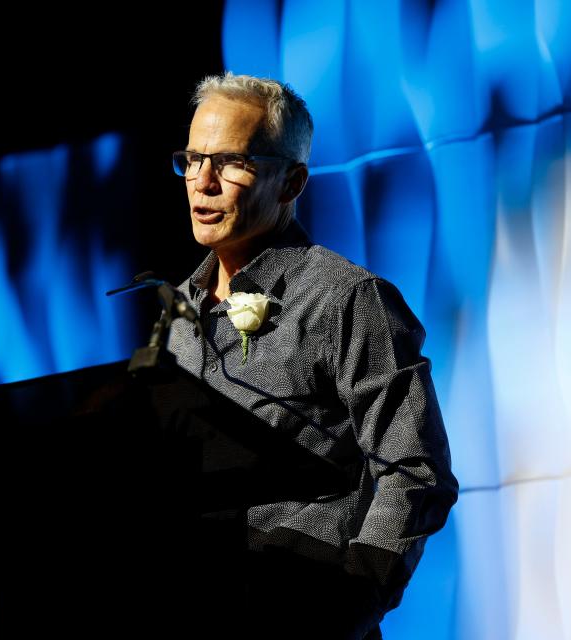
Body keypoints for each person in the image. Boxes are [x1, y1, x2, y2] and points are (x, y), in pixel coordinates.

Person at [166, 71, 459, 638]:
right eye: (192, 159)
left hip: (302, 610)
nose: (202, 182)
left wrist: (354, 596)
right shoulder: (176, 311)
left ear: (292, 183)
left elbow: (415, 469)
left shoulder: (345, 297)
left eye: (231, 163)